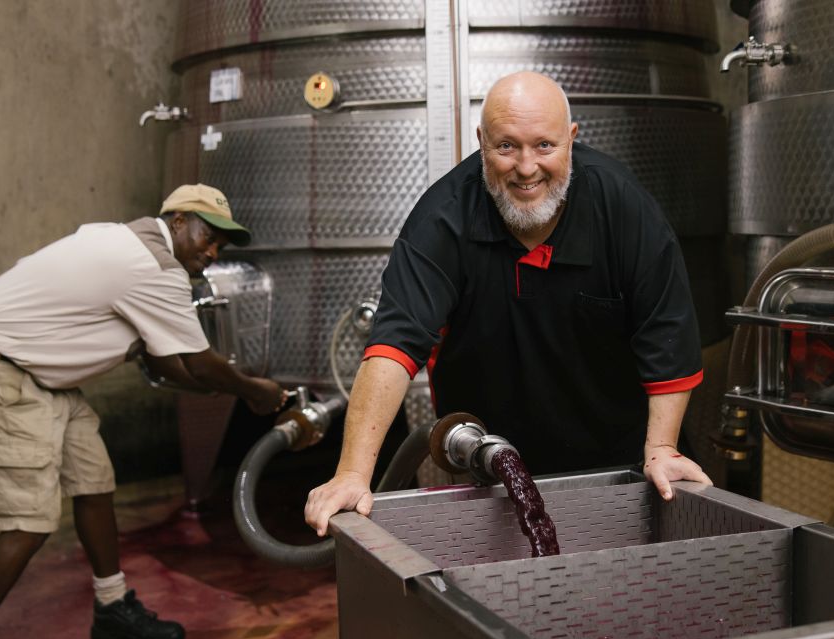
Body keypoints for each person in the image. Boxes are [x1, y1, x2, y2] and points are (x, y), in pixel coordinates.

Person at [305, 72, 712, 536]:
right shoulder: (442, 219)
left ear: (572, 140)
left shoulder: (623, 209)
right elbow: (393, 347)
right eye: (506, 147)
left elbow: (668, 335)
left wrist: (661, 449)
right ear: (481, 142)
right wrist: (353, 474)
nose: (526, 167)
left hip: (619, 461)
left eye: (544, 146)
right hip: (491, 468)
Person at [0, 184, 285, 639]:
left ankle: (112, 606)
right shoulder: (153, 266)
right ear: (180, 220)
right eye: (208, 237)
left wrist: (216, 386)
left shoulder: (126, 245)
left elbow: (169, 365)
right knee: (29, 520)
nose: (211, 252)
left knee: (94, 483)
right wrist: (255, 390)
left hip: (38, 377)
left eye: (221, 247)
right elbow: (201, 361)